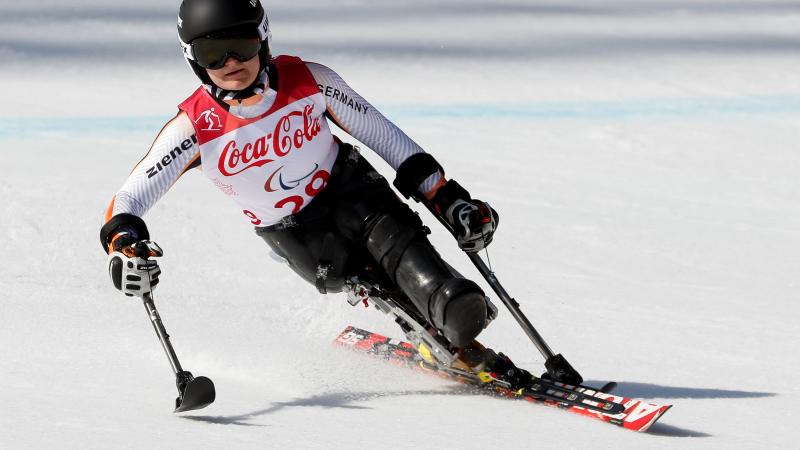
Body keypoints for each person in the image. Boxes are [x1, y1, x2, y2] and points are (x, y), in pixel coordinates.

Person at [101, 0, 531, 386]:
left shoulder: (309, 80)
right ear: (192, 60)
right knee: (367, 277)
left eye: (243, 44)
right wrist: (125, 246)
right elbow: (129, 199)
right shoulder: (195, 127)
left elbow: (386, 138)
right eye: (213, 53)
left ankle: (449, 309)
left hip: (353, 190)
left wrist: (446, 197)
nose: (232, 61)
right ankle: (431, 334)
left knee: (407, 252)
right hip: (297, 234)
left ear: (264, 38)